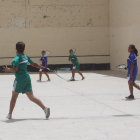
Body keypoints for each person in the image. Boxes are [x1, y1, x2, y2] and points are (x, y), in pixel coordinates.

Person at [3, 42, 50, 119]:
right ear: (24, 49)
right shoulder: (25, 57)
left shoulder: (16, 59)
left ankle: (10, 114)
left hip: (19, 80)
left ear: (16, 49)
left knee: (14, 97)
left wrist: (7, 69)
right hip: (27, 78)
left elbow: (15, 69)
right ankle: (45, 108)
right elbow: (34, 64)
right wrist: (44, 68)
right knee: (31, 97)